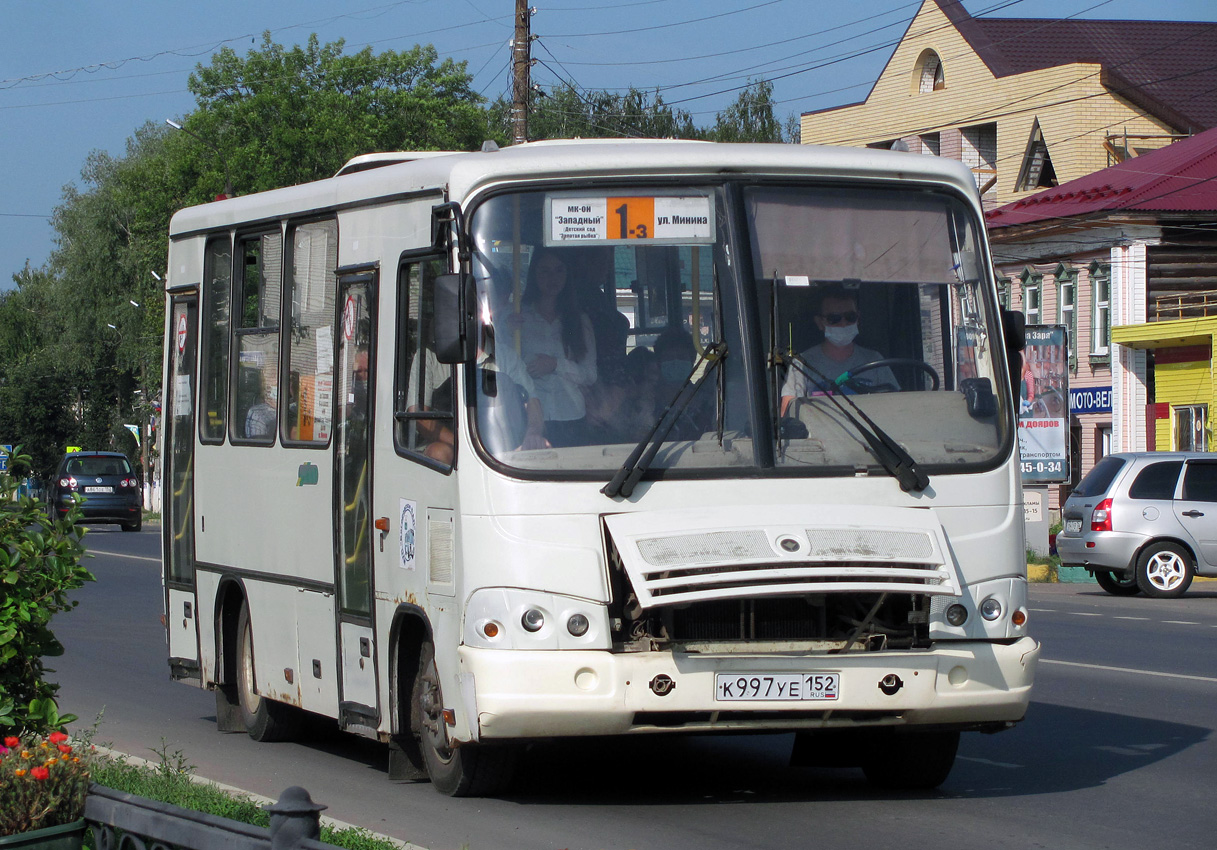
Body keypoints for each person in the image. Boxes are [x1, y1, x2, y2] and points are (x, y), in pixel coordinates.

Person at [506, 248, 597, 447]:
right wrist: (506, 332)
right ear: (534, 275)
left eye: (559, 270)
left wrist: (555, 365)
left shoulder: (579, 321)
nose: (552, 278)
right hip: (530, 417)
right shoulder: (518, 318)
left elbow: (590, 374)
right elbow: (503, 366)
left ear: (567, 275)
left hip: (572, 416)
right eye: (544, 271)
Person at [780, 286, 898, 415]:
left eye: (850, 317)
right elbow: (789, 415)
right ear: (820, 322)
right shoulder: (802, 364)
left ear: (858, 319)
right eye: (834, 318)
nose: (843, 324)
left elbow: (896, 408)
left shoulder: (875, 361)